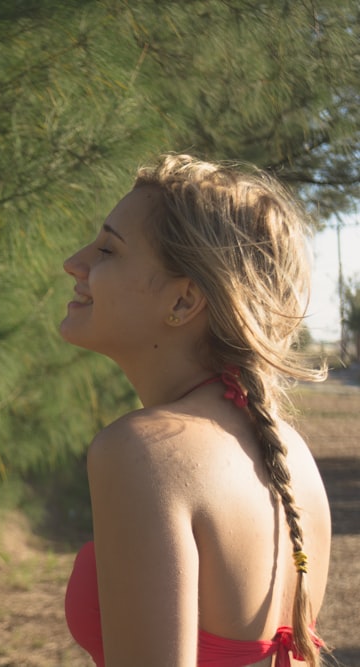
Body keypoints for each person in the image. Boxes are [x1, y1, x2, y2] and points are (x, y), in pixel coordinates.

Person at [60, 154, 332, 666]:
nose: (75, 262)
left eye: (108, 249)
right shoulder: (292, 454)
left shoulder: (143, 452)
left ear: (184, 302)